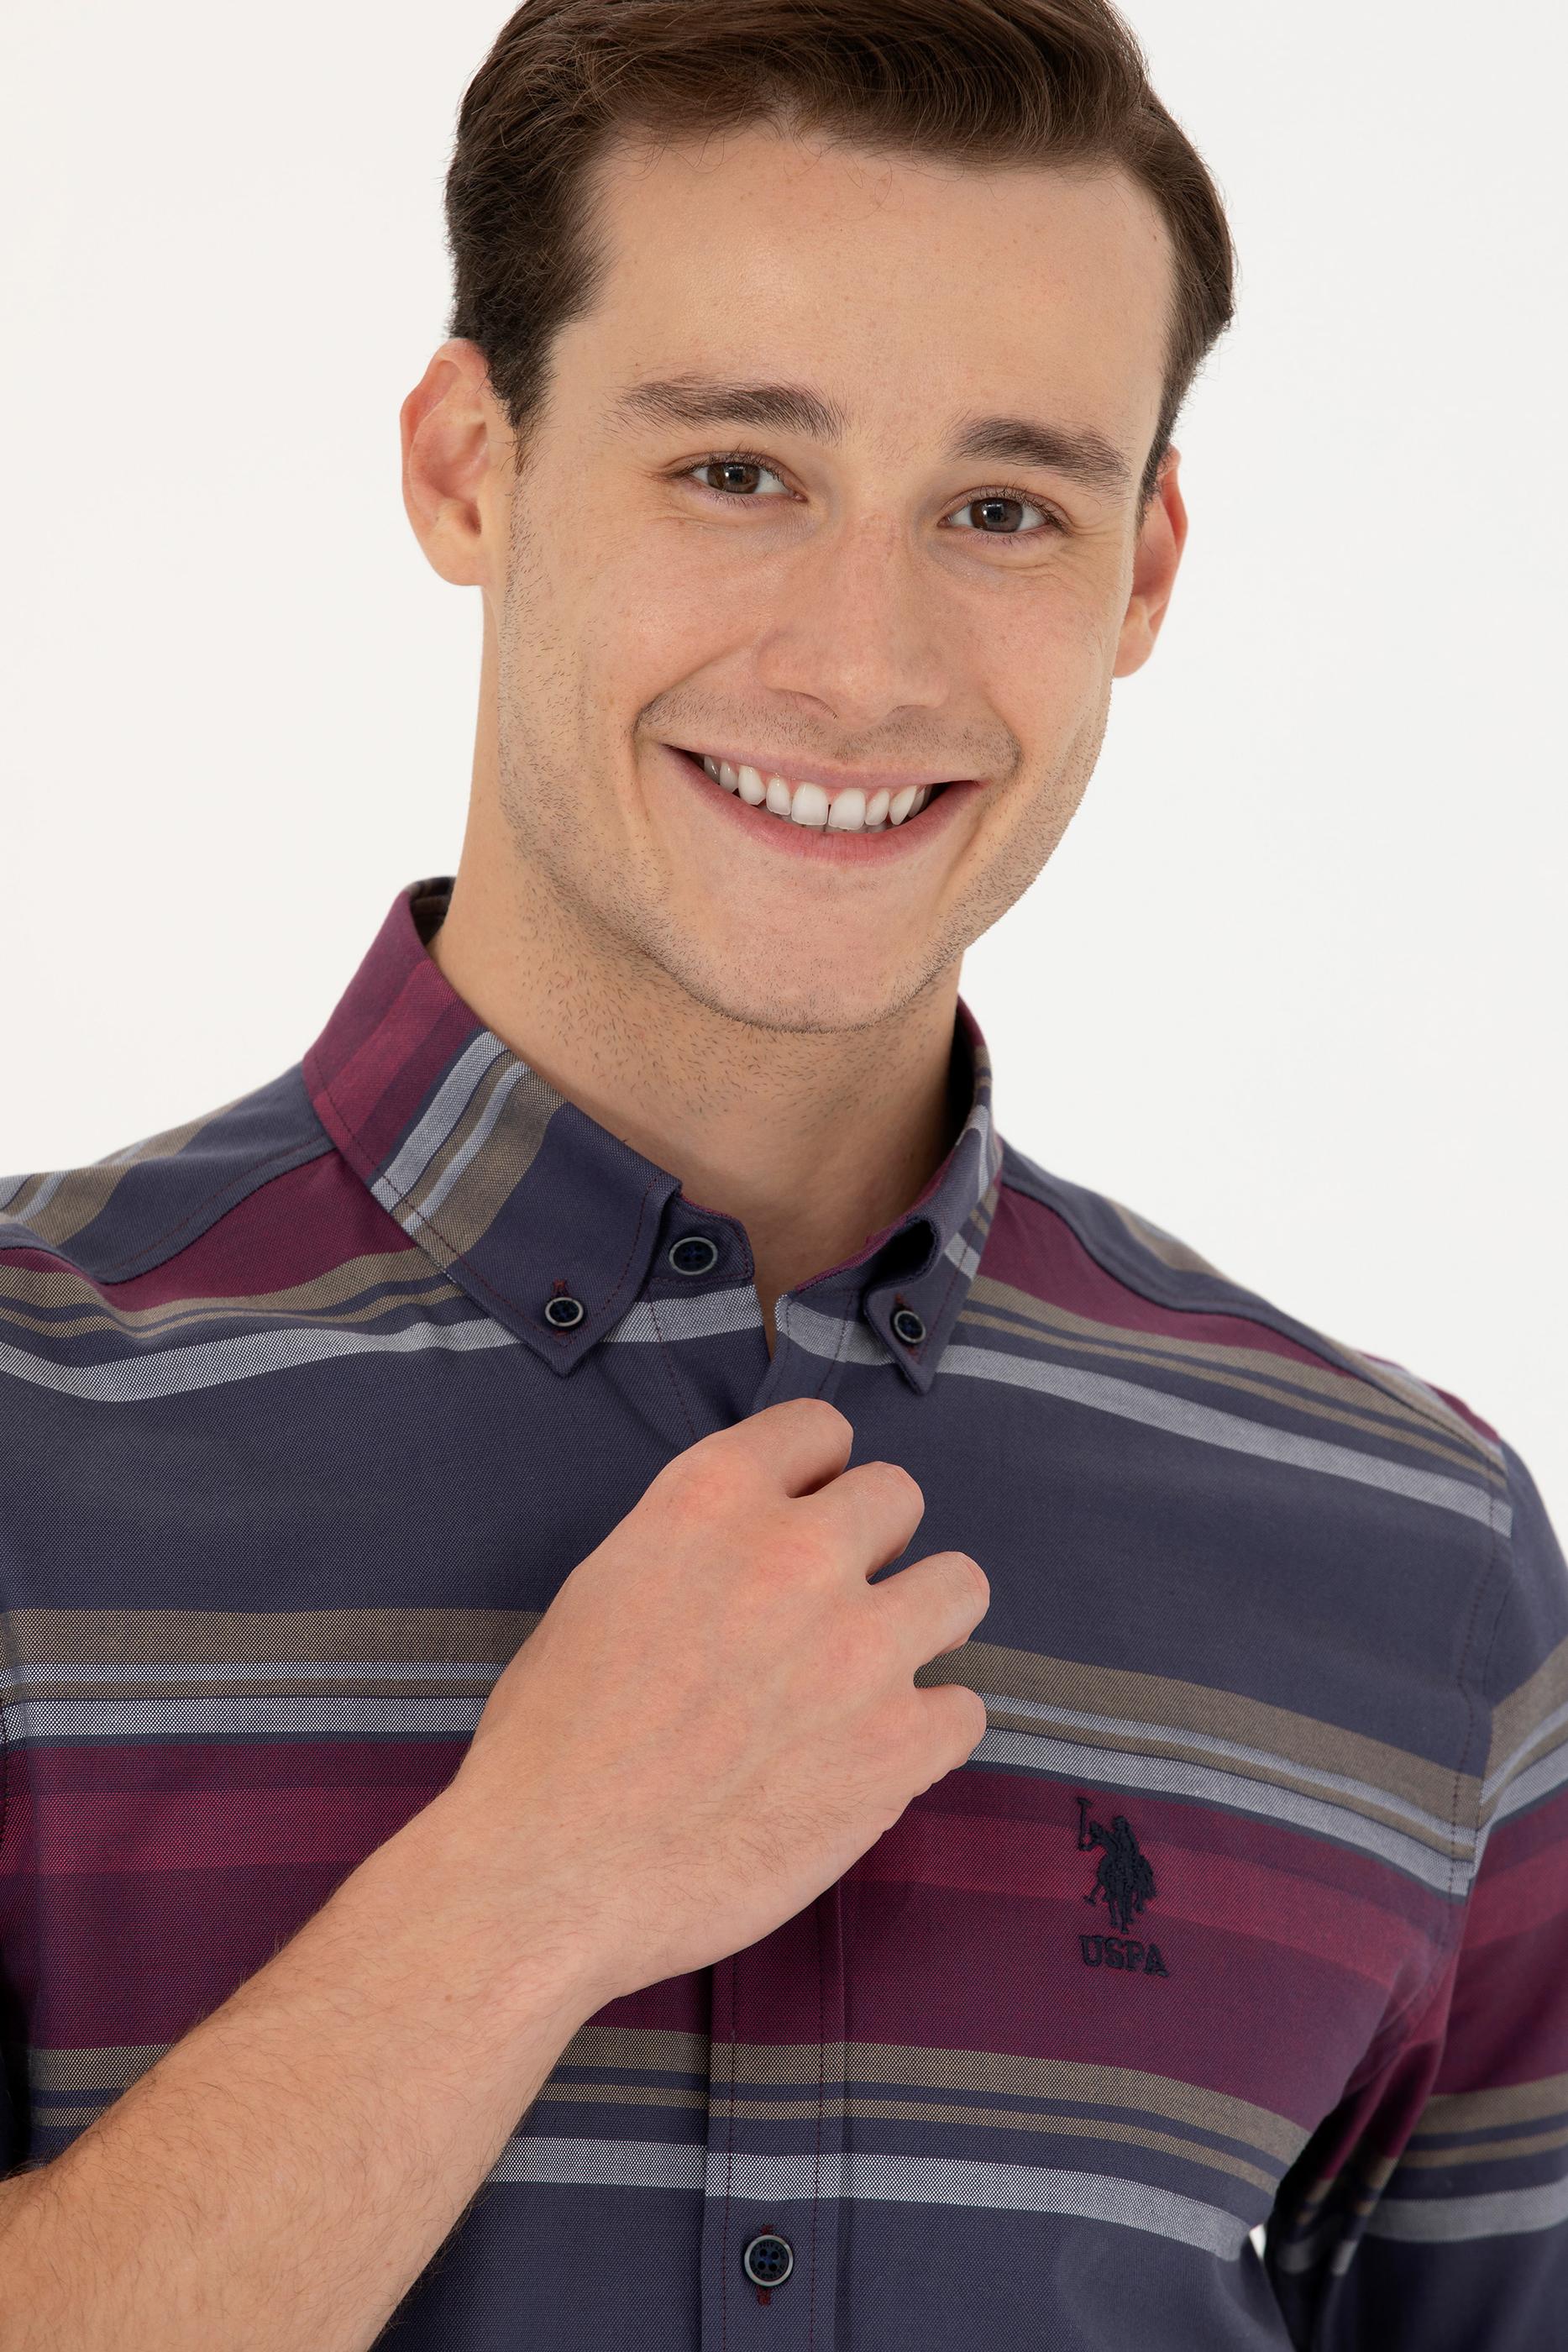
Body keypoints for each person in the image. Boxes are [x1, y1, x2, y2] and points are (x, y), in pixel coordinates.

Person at [0, 2, 1562, 2346]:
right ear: (468, 466)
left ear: (1143, 571)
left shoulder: (1416, 1564)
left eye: (1003, 510)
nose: (861, 665)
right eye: (739, 468)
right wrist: (520, 1897)